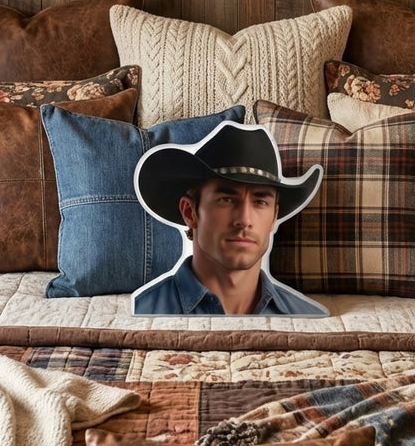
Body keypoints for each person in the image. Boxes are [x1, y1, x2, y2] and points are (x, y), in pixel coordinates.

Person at [132, 121, 327, 316]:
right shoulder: (145, 312)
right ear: (190, 212)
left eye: (260, 202)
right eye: (226, 199)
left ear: (274, 217)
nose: (244, 219)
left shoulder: (305, 317)